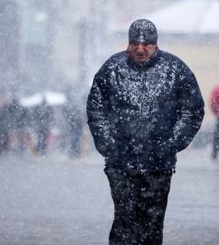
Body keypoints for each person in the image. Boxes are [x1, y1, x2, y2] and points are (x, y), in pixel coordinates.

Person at [87, 19, 205, 244]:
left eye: (146, 44)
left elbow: (192, 111)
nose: (140, 48)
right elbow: (96, 109)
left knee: (152, 222)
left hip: (158, 164)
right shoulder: (112, 69)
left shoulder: (175, 70)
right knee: (124, 219)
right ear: (128, 45)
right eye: (135, 43)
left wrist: (171, 143)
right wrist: (108, 144)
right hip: (120, 163)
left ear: (155, 45)